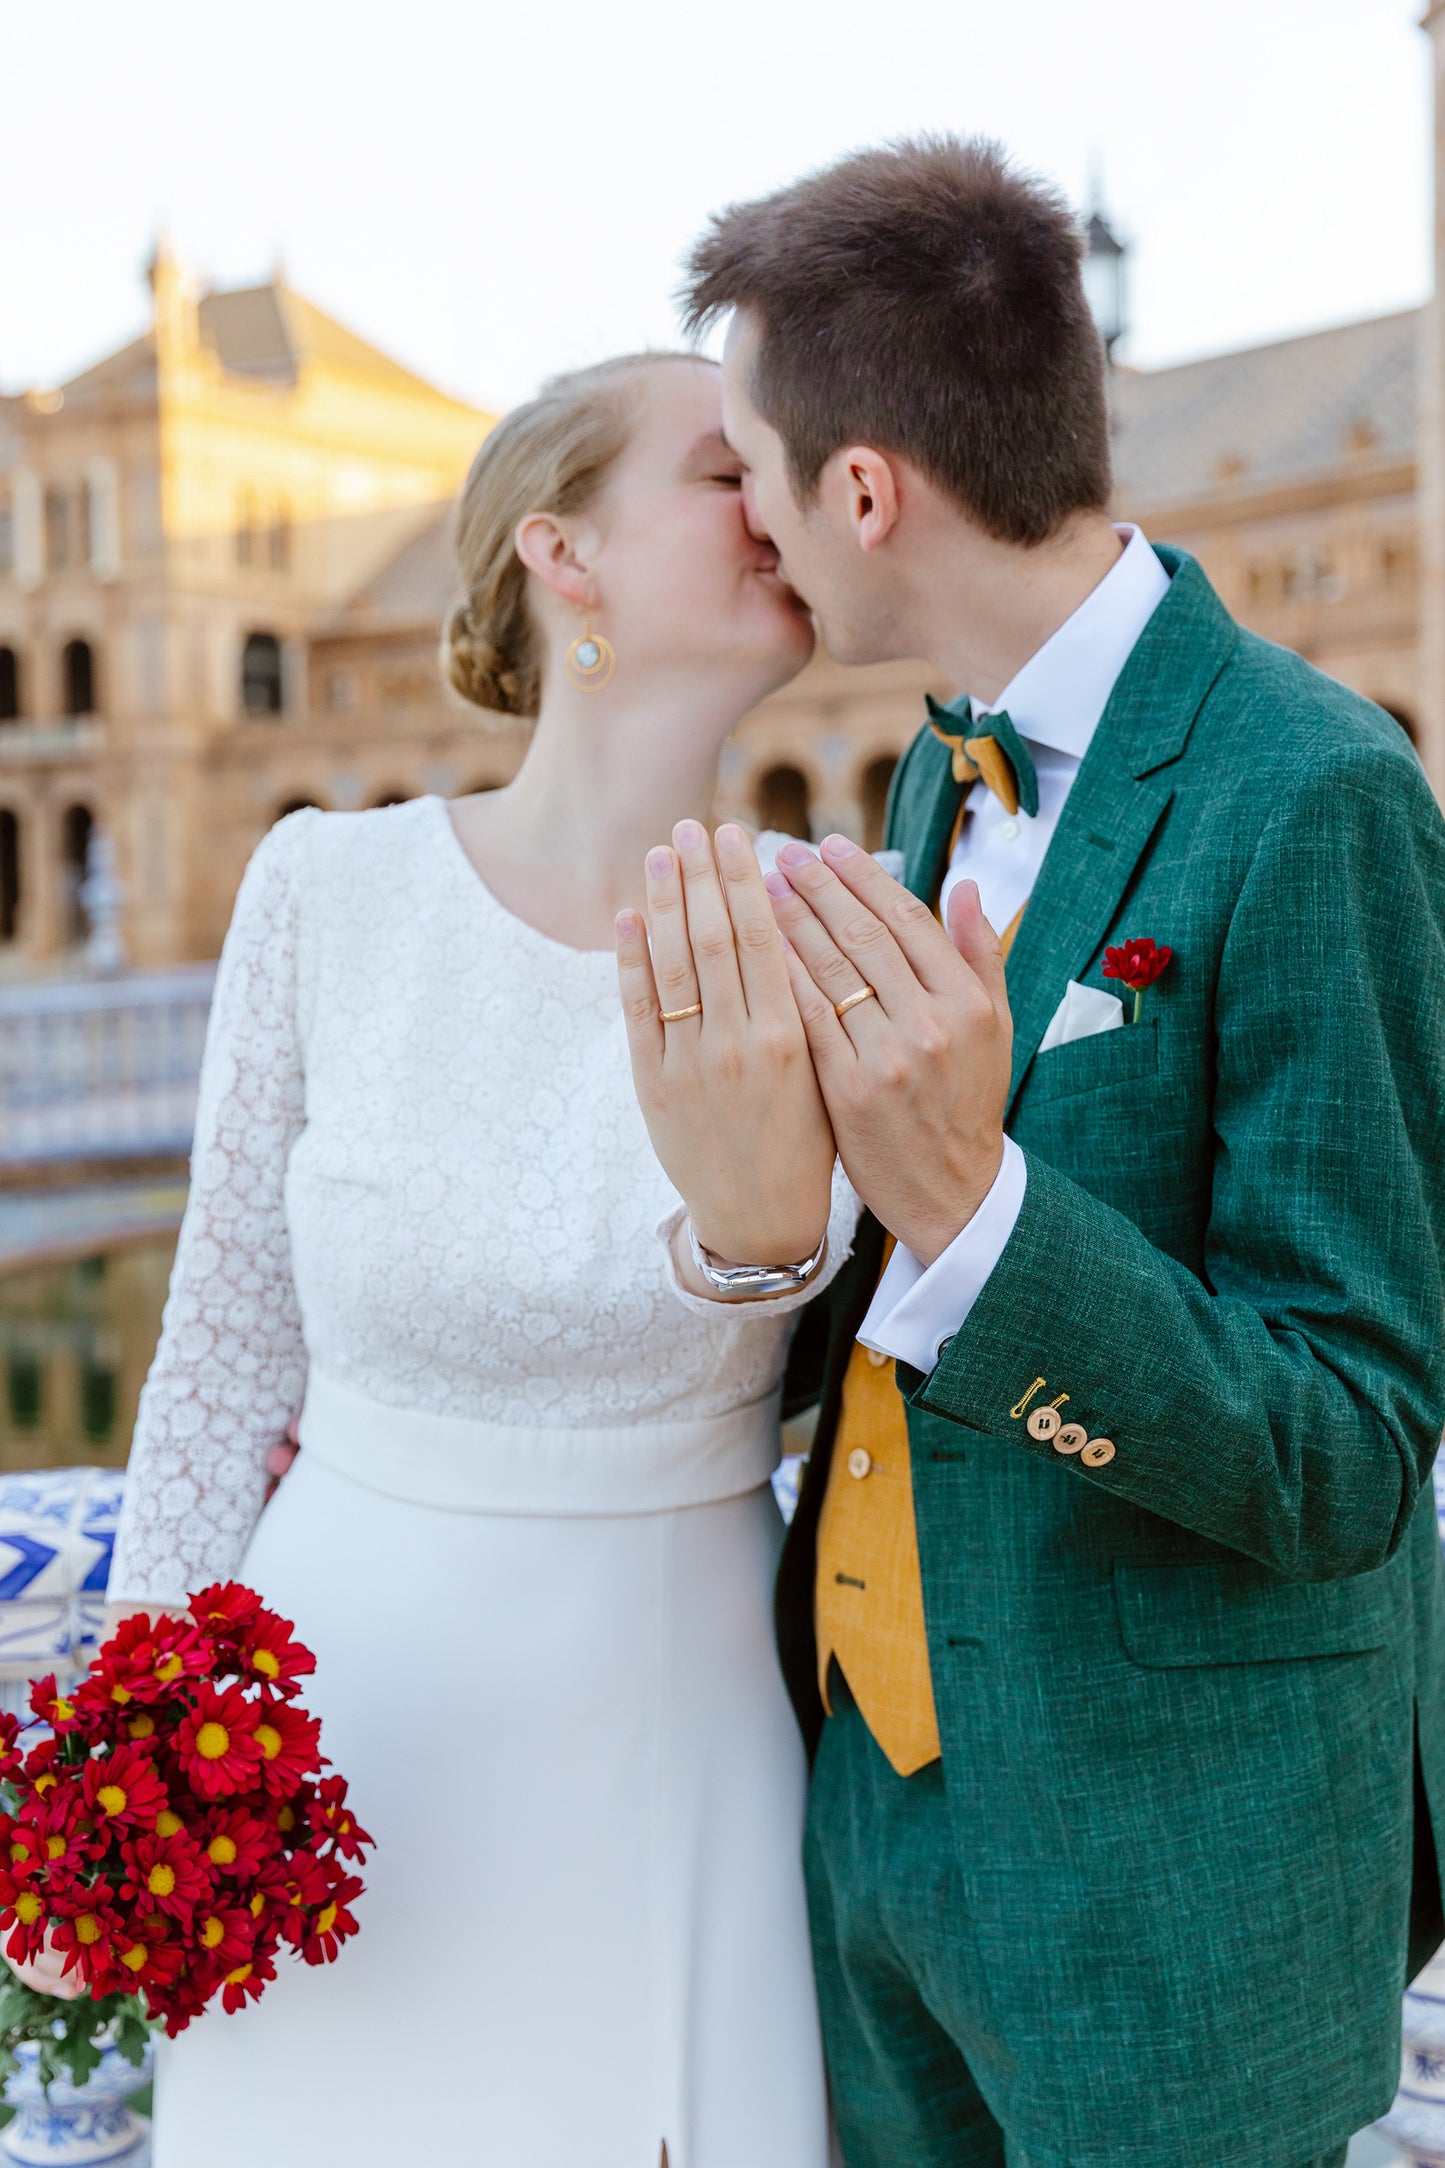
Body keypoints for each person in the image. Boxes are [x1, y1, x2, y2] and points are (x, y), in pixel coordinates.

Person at [617, 137, 1445, 2168]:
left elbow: (1347, 1442)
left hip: (1176, 1868)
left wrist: (977, 1212)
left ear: (869, 490)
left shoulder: (1320, 790)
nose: (758, 524)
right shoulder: (927, 770)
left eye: (760, 466)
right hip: (879, 1813)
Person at [104, 352, 857, 2168]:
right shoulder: (321, 894)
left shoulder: (843, 919)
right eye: (716, 468)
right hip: (334, 1719)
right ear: (561, 554)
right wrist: (128, 1775)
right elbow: (217, 1355)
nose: (777, 495)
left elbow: (866, 1358)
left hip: (681, 1723)